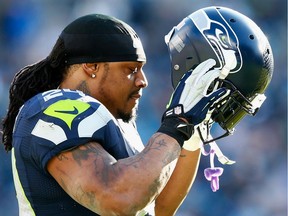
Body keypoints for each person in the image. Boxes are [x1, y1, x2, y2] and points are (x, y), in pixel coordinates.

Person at [1, 6, 274, 216]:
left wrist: (191, 132)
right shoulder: (54, 106)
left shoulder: (115, 125)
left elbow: (155, 207)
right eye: (131, 70)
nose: (143, 81)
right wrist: (176, 123)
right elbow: (117, 199)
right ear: (91, 67)